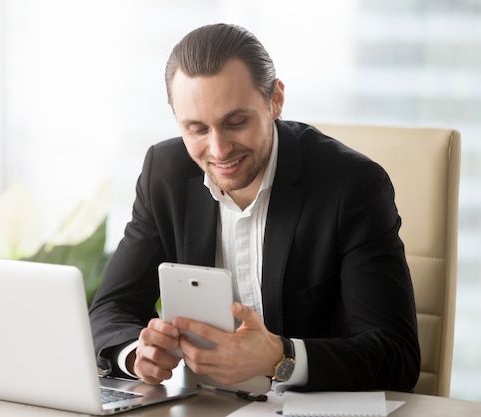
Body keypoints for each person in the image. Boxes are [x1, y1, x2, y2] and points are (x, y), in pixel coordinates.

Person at [89, 23, 420, 393]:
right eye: (197, 129)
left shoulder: (352, 186)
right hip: (205, 407)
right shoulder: (164, 174)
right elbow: (111, 307)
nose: (218, 150)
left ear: (275, 99)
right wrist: (137, 354)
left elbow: (397, 358)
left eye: (235, 122)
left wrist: (279, 357)